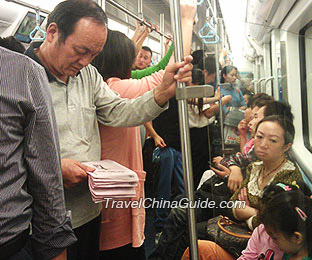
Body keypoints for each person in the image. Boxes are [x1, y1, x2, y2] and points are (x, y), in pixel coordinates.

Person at [24, 1, 193, 259]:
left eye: (93, 54)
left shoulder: (88, 75)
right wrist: (54, 168)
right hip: (40, 218)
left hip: (88, 211)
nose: (85, 62)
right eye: (80, 51)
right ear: (52, 32)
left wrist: (159, 95)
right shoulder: (18, 76)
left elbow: (118, 111)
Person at [90, 1, 197, 258]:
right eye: (131, 56)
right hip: (116, 198)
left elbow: (153, 71)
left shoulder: (109, 85)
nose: (137, 60)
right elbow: (162, 76)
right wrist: (185, 20)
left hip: (117, 194)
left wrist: (140, 37)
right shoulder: (114, 89)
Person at [148, 115, 303, 260]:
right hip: (238, 225)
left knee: (188, 231)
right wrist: (252, 212)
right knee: (184, 222)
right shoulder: (255, 167)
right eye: (259, 137)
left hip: (261, 239)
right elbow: (234, 204)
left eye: (273, 141)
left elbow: (271, 224)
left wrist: (247, 212)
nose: (263, 144)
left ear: (286, 147)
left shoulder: (288, 178)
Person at [0, 47, 76, 259]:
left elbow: (46, 175)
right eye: (79, 50)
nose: (84, 61)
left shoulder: (23, 72)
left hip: (9, 245)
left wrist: (54, 245)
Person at [181, 181, 312, 260]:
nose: (267, 232)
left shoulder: (288, 247)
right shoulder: (267, 231)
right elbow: (248, 255)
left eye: (274, 237)